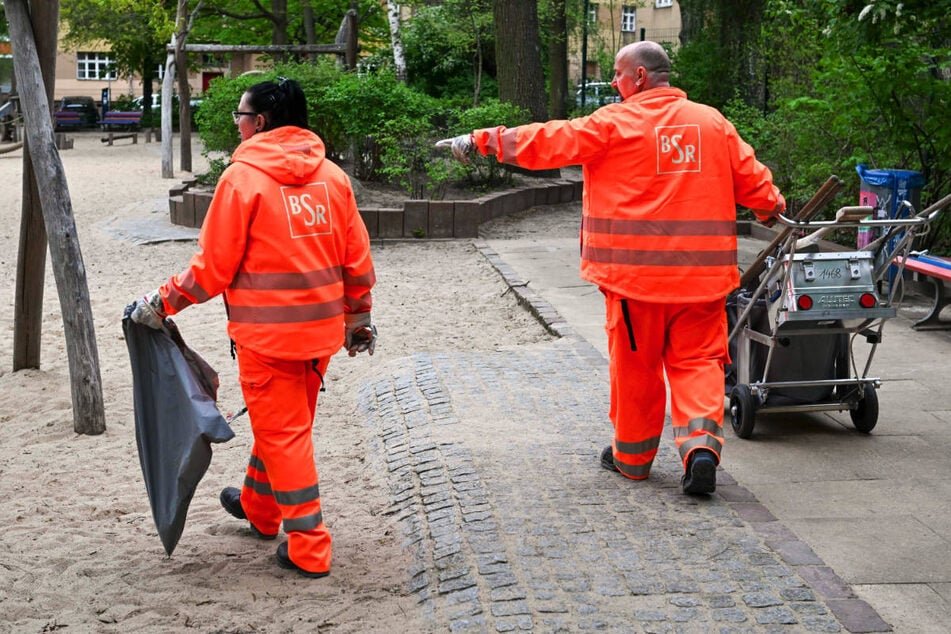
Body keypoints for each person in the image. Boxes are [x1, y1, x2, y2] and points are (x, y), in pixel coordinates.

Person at [440, 41, 783, 495]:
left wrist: (479, 140)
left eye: (618, 77)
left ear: (639, 77)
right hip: (701, 281)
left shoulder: (614, 124)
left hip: (634, 284)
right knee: (698, 363)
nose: (615, 86)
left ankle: (633, 460)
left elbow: (546, 141)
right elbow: (755, 183)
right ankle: (701, 450)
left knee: (636, 371)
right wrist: (771, 206)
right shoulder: (711, 122)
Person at [130, 78, 377, 577]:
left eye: (240, 116)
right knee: (283, 423)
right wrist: (359, 318)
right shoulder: (332, 177)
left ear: (260, 122)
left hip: (267, 338)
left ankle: (309, 546)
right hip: (320, 336)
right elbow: (356, 259)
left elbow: (212, 269)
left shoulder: (242, 179)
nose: (237, 124)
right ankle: (260, 509)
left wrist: (162, 302)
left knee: (284, 433)